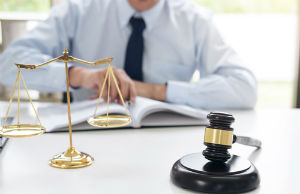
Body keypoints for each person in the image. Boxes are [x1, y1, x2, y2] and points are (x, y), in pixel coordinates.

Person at [0, 0, 257, 109]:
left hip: (168, 142)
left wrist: (155, 91)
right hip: (87, 138)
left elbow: (244, 89)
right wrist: (77, 74)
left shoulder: (195, 20)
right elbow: (8, 65)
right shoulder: (78, 10)